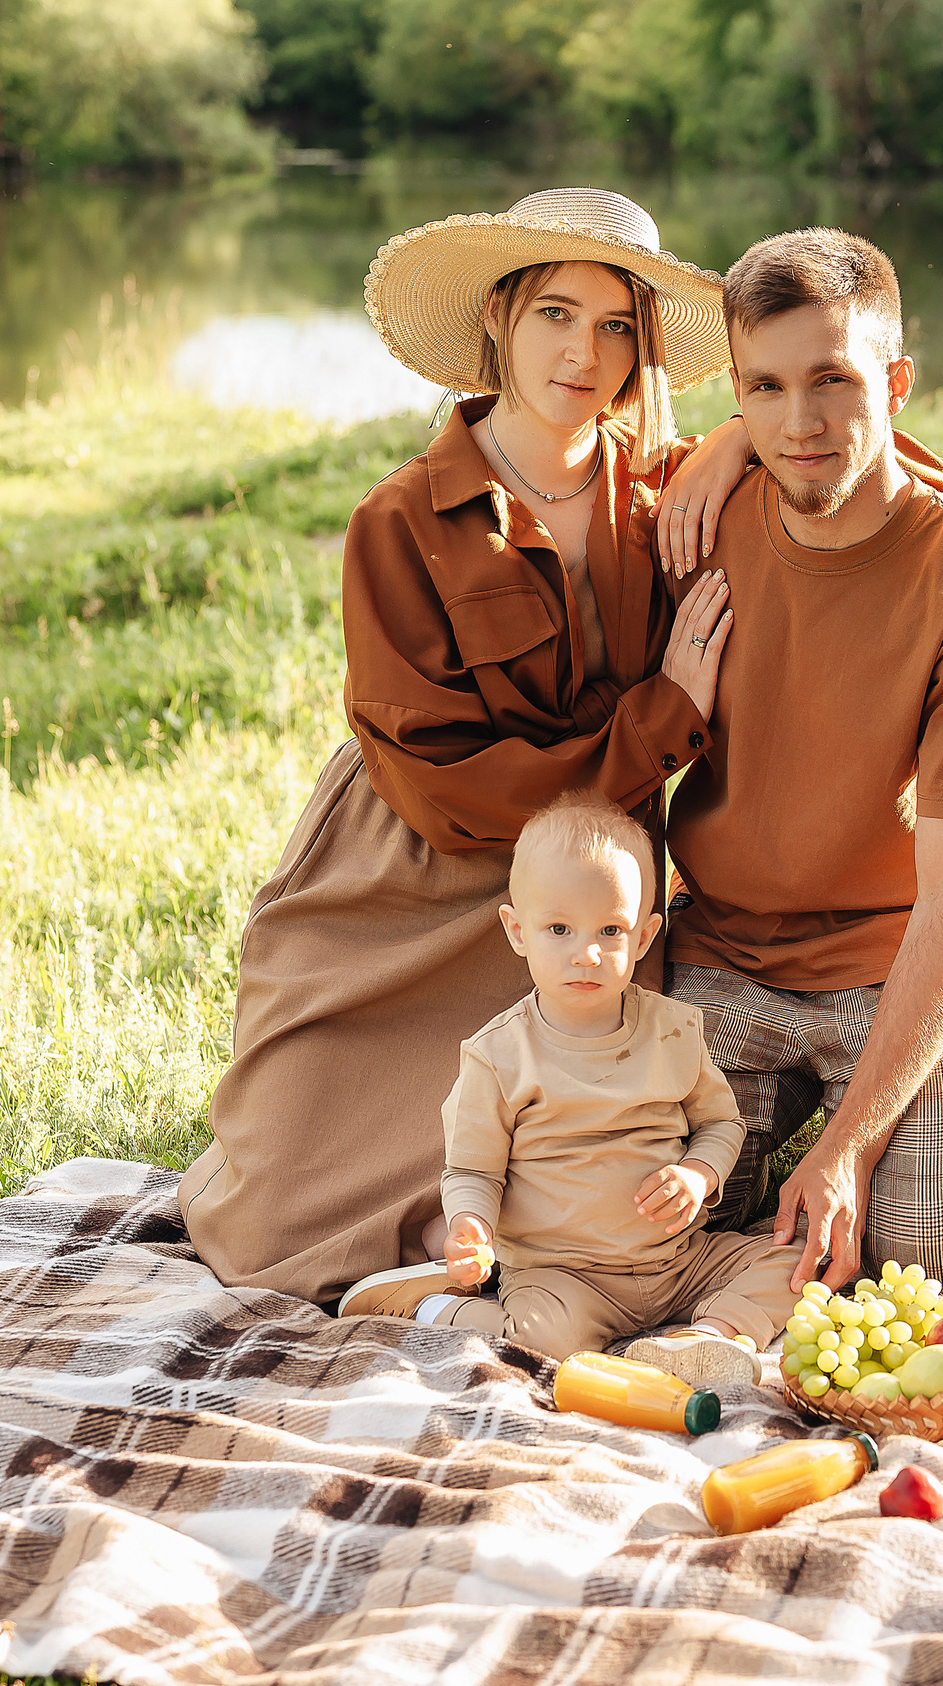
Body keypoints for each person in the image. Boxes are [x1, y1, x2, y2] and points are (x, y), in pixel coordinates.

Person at [176, 188, 757, 1313]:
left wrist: (736, 436)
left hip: (581, 895)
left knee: (595, 1171)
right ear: (497, 318)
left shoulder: (666, 486)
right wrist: (665, 712)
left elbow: (879, 459)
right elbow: (446, 786)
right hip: (415, 872)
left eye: (615, 326)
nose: (582, 354)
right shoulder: (400, 520)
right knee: (280, 1220)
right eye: (553, 314)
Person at [666, 228, 943, 1298]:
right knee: (620, 1216)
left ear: (896, 382)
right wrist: (716, 444)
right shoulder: (700, 519)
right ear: (735, 394)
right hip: (727, 946)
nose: (800, 424)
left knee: (922, 1251)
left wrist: (849, 1148)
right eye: (766, 390)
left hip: (905, 951)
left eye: (834, 381)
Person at [345, 793, 801, 1389]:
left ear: (643, 938)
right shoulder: (499, 1056)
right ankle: (436, 1304)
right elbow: (474, 1172)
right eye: (558, 928)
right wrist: (471, 1226)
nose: (586, 953)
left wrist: (698, 1175)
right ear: (517, 931)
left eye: (610, 930)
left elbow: (722, 1125)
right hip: (561, 1275)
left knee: (795, 1265)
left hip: (676, 1264)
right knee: (539, 1344)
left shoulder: (673, 1030)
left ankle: (705, 1337)